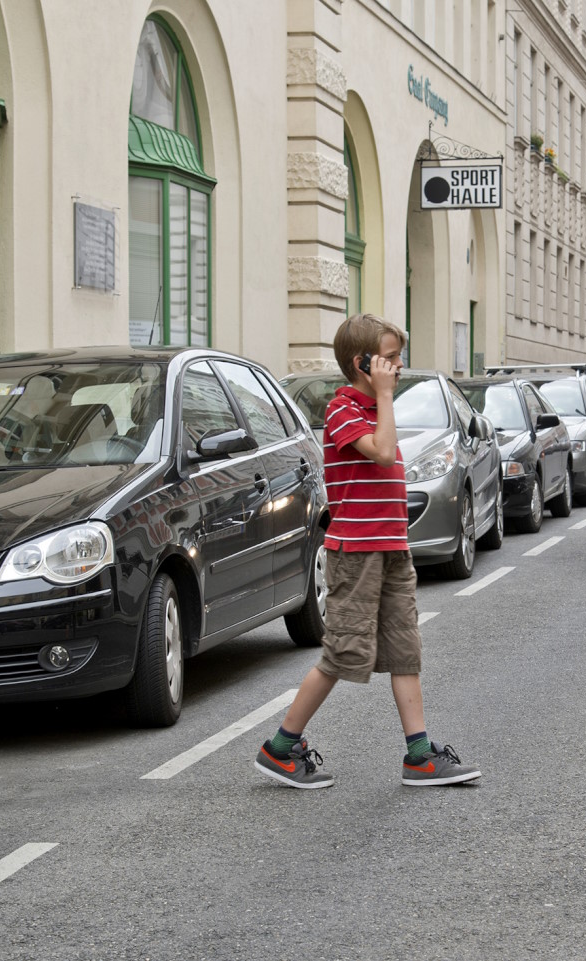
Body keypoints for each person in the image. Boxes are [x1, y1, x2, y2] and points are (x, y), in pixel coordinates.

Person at [253, 313, 481, 789]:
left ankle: (419, 756)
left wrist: (383, 402)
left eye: (398, 358)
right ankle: (279, 748)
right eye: (391, 359)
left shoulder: (381, 411)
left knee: (405, 651)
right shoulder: (341, 410)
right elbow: (379, 453)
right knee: (343, 652)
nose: (398, 369)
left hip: (392, 551)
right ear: (362, 363)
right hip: (355, 555)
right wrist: (381, 396)